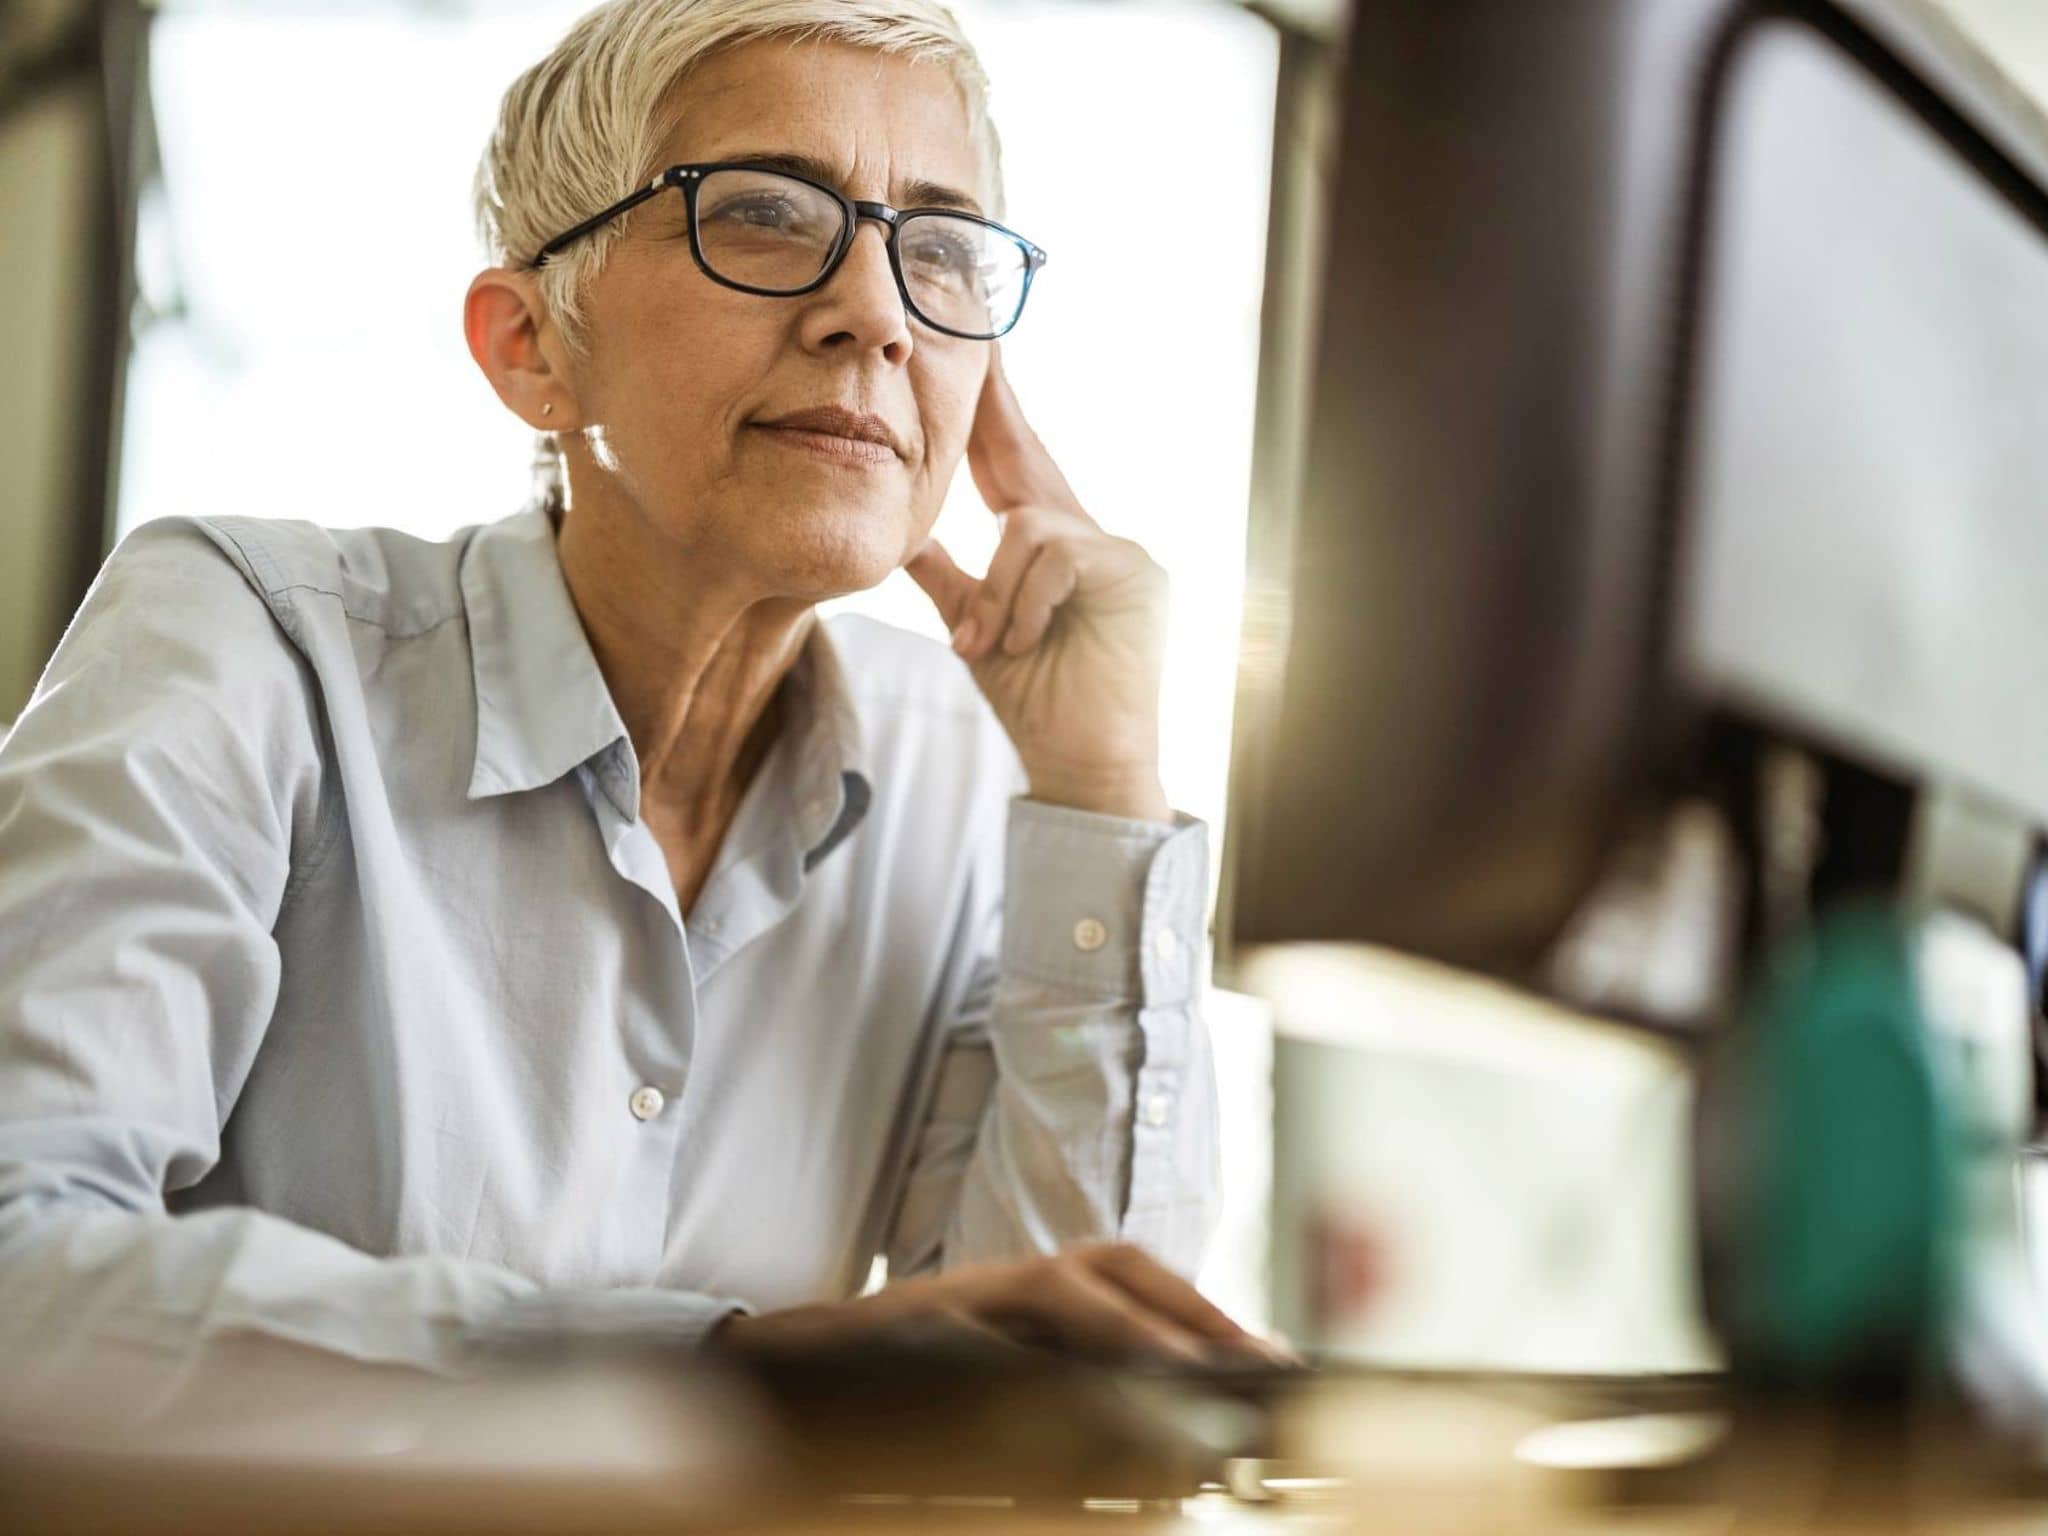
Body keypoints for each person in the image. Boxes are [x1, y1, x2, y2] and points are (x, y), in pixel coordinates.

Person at [0, 0, 1272, 1425]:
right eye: (769, 216)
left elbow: (1069, 1411)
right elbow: (20, 1274)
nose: (875, 313)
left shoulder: (974, 778)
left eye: (943, 249)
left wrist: (1102, 789)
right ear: (533, 345)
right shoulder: (247, 643)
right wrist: (709, 1373)